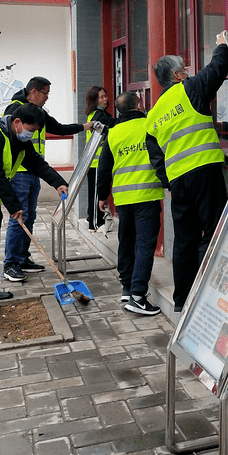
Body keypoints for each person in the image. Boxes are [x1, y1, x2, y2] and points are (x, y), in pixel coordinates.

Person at [146, 31, 228, 311]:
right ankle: (209, 294)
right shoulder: (189, 90)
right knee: (214, 231)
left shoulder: (154, 114)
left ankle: (182, 300)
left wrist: (169, 182)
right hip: (205, 173)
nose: (188, 73)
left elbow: (156, 159)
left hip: (179, 183)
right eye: (184, 70)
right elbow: (217, 69)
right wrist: (222, 45)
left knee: (184, 241)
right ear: (176, 76)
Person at [0, 103, 69, 301]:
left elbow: (37, 164)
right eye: (31, 130)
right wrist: (14, 206)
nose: (31, 134)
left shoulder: (19, 142)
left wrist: (58, 183)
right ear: (17, 122)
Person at [1, 76, 92, 283]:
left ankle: (22, 258)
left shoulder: (39, 113)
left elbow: (58, 128)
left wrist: (84, 127)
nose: (47, 99)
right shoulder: (16, 109)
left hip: (34, 169)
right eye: (45, 94)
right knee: (20, 218)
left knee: (30, 216)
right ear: (34, 91)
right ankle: (11, 264)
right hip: (19, 171)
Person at [97, 91, 166, 316]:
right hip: (146, 196)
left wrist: (101, 196)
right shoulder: (150, 124)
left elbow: (104, 168)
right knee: (145, 246)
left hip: (124, 199)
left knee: (126, 242)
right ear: (139, 104)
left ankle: (127, 288)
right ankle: (137, 297)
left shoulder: (114, 132)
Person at [84, 85, 117, 230]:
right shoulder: (100, 117)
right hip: (97, 162)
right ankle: (96, 223)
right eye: (101, 97)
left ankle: (92, 218)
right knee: (97, 195)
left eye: (105, 96)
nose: (106, 99)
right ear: (94, 100)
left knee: (94, 194)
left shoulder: (93, 115)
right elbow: (116, 125)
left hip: (93, 162)